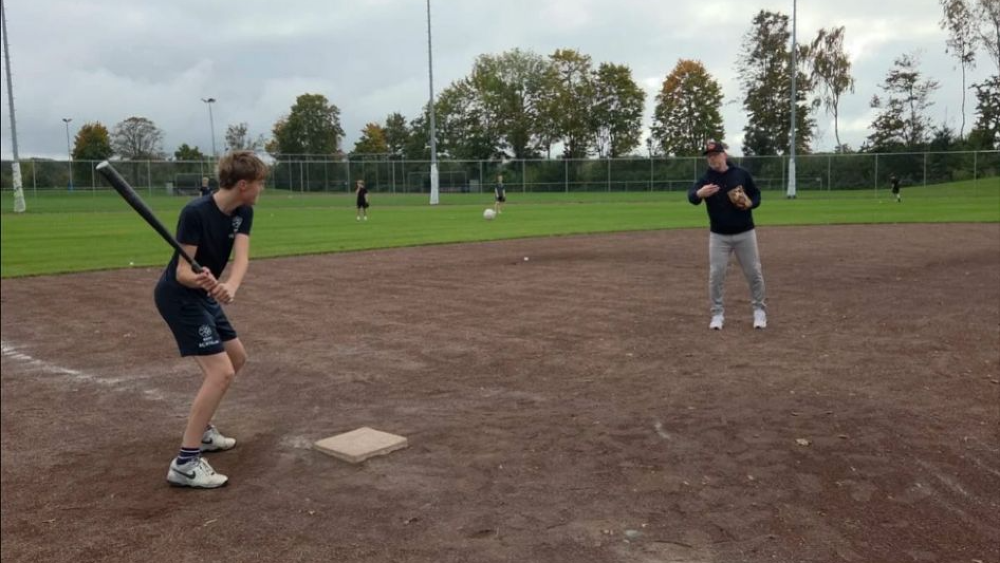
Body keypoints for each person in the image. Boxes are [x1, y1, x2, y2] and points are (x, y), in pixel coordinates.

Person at [156, 150, 267, 488]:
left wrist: (228, 286)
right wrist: (201, 279)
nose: (262, 190)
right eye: (260, 184)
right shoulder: (195, 213)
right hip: (179, 298)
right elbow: (181, 273)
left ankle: (203, 433)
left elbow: (242, 258)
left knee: (237, 357)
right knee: (221, 372)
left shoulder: (242, 212)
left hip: (204, 297)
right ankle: (185, 463)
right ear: (243, 184)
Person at [687, 140, 767, 330]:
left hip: (745, 233)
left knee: (754, 272)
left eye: (715, 155)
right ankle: (717, 314)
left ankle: (759, 311)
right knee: (716, 275)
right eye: (709, 156)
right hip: (719, 236)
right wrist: (700, 193)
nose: (712, 159)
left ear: (724, 155)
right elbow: (691, 196)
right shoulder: (706, 179)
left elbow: (756, 195)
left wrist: (749, 203)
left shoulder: (740, 174)